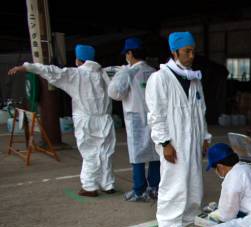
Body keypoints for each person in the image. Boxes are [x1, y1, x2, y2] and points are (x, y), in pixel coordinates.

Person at [8, 44, 116, 197]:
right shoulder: (103, 73)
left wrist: (27, 67)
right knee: (105, 152)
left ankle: (89, 186)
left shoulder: (76, 74)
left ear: (79, 60)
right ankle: (108, 183)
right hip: (105, 119)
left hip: (86, 120)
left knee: (89, 152)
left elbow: (51, 71)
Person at [145, 32, 211, 227]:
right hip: (173, 141)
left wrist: (205, 137)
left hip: (193, 140)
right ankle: (167, 226)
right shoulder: (160, 78)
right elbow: (156, 114)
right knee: (173, 183)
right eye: (187, 51)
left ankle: (189, 218)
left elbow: (201, 110)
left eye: (193, 51)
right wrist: (165, 143)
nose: (192, 55)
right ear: (174, 52)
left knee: (193, 179)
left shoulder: (193, 78)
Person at [107, 37, 159, 202]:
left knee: (137, 155)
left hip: (136, 118)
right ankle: (154, 188)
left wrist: (120, 75)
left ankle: (139, 190)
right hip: (155, 117)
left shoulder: (128, 73)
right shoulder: (154, 71)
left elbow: (114, 93)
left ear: (130, 53)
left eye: (126, 53)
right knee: (155, 153)